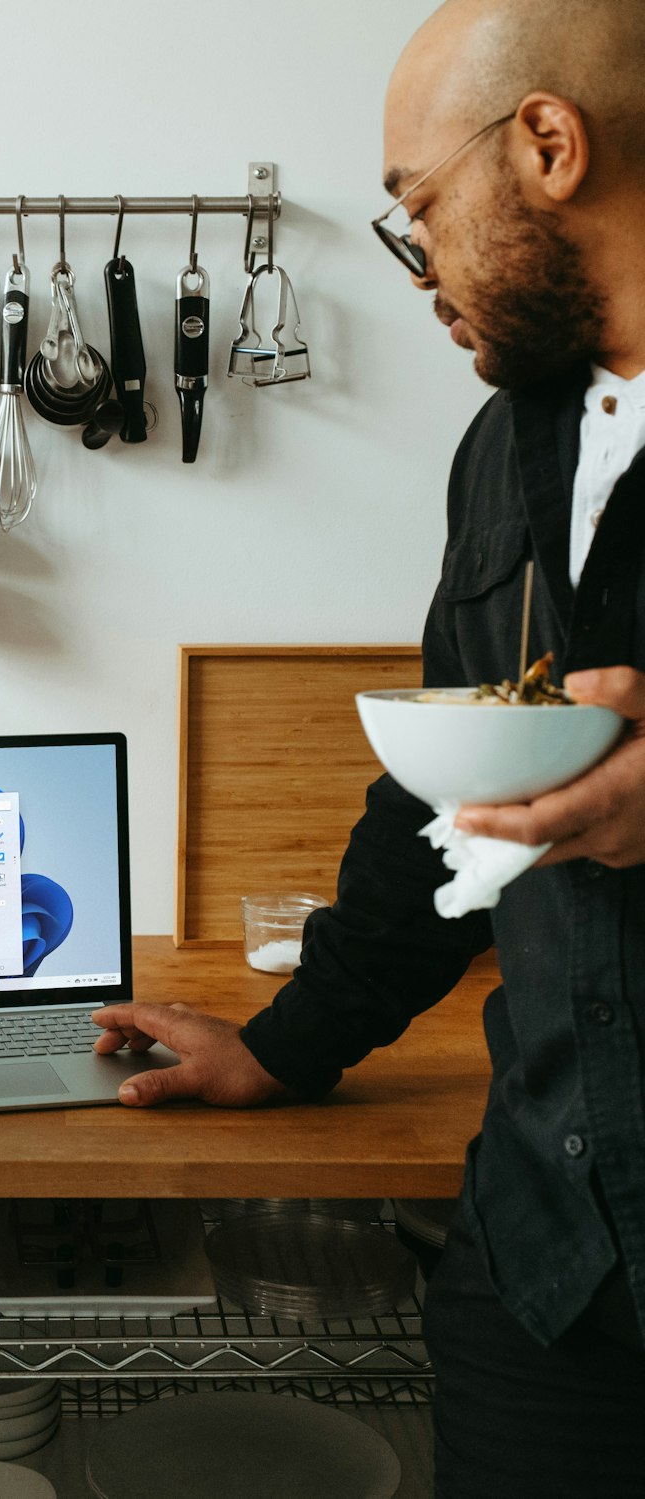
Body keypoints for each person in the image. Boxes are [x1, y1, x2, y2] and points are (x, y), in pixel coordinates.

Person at [92, 1, 645, 1493]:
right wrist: (285, 1045)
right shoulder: (511, 445)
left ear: (547, 145)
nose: (423, 272)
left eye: (420, 213)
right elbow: (434, 802)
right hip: (555, 1271)